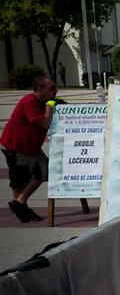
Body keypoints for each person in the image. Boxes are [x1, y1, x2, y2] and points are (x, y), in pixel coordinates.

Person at [1, 74, 58, 222]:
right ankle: (23, 209)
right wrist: (50, 106)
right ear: (40, 89)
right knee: (18, 178)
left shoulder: (41, 101)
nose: (55, 90)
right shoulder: (29, 102)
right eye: (51, 88)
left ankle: (19, 203)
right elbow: (44, 123)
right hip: (17, 145)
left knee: (45, 169)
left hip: (31, 146)